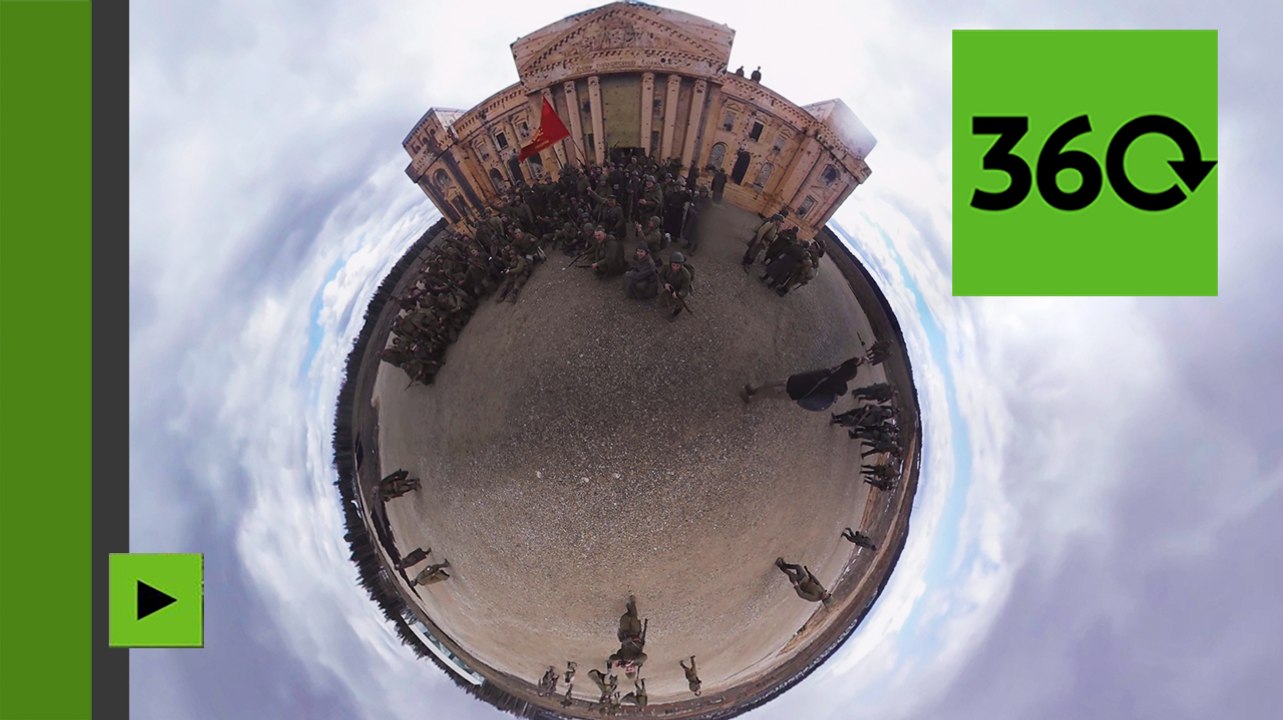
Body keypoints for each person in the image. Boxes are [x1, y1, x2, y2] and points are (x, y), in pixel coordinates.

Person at [741, 355, 863, 411]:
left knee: (769, 393)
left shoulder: (832, 384)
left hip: (795, 391)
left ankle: (750, 400)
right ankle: (753, 391)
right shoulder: (830, 372)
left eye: (841, 367)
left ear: (843, 372)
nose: (838, 366)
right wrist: (859, 361)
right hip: (794, 380)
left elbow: (816, 391)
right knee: (769, 383)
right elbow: (849, 364)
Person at [608, 595, 647, 677]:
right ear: (634, 670)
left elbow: (611, 658)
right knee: (633, 618)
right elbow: (644, 657)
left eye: (627, 670)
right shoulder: (638, 662)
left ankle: (630, 609)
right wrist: (633, 660)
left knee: (624, 618)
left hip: (625, 636)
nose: (629, 669)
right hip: (636, 635)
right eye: (631, 670)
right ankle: (632, 603)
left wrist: (617, 661)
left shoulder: (623, 662)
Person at [659, 251, 693, 320]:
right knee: (662, 302)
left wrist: (678, 294)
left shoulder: (685, 275)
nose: (675, 267)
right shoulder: (666, 267)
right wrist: (665, 284)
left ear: (681, 265)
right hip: (671, 286)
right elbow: (661, 276)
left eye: (677, 266)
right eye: (673, 265)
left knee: (679, 302)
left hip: (680, 289)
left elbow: (685, 289)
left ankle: (676, 313)